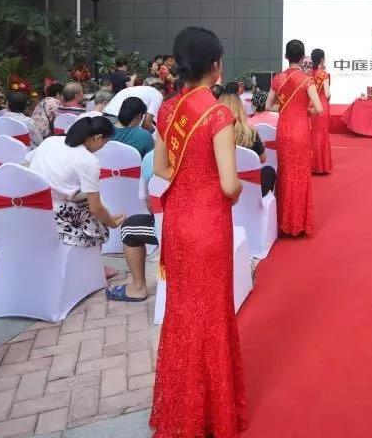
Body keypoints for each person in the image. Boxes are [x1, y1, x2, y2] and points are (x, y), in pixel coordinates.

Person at [150, 27, 247, 438]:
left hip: (177, 221)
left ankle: (181, 407)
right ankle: (210, 412)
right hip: (208, 224)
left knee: (182, 311)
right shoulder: (217, 113)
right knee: (211, 313)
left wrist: (189, 181)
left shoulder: (167, 109)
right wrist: (237, 190)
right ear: (216, 66)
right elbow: (229, 184)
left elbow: (160, 169)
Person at [26, 116, 156, 300]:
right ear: (97, 138)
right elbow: (96, 208)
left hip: (33, 208)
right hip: (58, 215)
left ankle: (89, 264)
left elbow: (27, 165)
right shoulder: (87, 160)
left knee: (88, 205)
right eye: (105, 142)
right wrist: (112, 222)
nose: (103, 147)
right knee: (99, 225)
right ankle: (92, 268)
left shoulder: (50, 141)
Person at [266, 39, 323, 237]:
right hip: (300, 131)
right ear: (302, 57)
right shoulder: (307, 80)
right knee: (300, 174)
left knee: (285, 172)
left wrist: (285, 109)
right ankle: (299, 223)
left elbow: (268, 106)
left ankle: (284, 222)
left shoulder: (278, 79)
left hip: (284, 129)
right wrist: (303, 111)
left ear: (286, 56)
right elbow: (319, 108)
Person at [218, 91, 277, 196]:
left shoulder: (213, 136)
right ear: (240, 109)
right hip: (250, 191)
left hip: (222, 187)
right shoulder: (250, 133)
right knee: (269, 171)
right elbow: (263, 159)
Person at [309, 49, 333, 175]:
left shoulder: (308, 74)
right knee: (322, 135)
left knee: (313, 135)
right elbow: (327, 94)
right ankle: (322, 166)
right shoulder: (324, 74)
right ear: (322, 59)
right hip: (322, 106)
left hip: (311, 106)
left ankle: (312, 164)